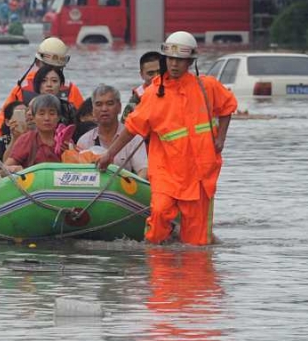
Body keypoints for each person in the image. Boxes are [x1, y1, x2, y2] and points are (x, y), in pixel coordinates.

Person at [97, 31, 237, 246]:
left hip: (200, 174)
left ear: (190, 62)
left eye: (180, 60)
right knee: (160, 216)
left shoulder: (206, 86)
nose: (174, 65)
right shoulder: (154, 94)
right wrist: (109, 154)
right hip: (167, 173)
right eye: (170, 59)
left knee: (197, 243)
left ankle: (194, 278)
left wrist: (222, 139)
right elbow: (131, 128)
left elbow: (227, 106)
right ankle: (159, 273)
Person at [0, 37, 84, 163]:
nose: (49, 84)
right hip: (25, 147)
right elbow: (0, 123)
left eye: (55, 69)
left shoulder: (71, 91)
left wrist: (71, 148)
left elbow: (82, 126)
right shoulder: (22, 89)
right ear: (37, 63)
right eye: (47, 67)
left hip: (59, 151)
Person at [77, 84, 148, 179]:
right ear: (93, 110)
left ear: (119, 107)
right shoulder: (84, 141)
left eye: (109, 104)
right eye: (99, 104)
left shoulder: (134, 138)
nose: (104, 109)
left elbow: (143, 170)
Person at [4, 95, 62, 172]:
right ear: (33, 118)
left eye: (52, 114)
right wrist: (13, 169)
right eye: (41, 114)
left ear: (58, 117)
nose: (47, 118)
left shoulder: (64, 139)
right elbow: (4, 170)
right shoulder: (26, 140)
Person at [122, 51, 163, 123]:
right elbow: (125, 124)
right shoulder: (136, 98)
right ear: (142, 75)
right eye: (150, 73)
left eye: (160, 72)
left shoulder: (178, 90)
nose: (156, 77)